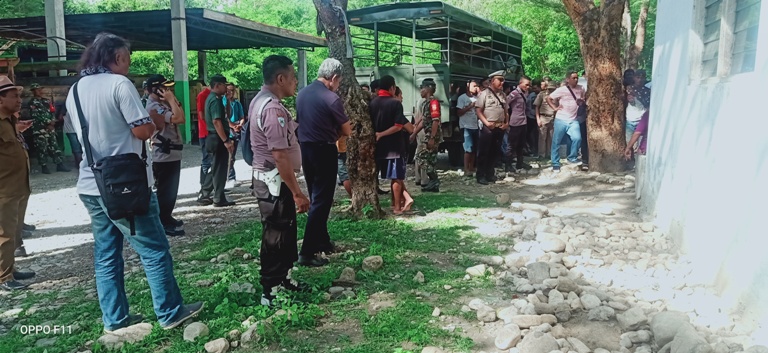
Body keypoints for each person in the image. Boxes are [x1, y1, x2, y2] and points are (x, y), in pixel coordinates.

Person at [65, 32, 203, 330]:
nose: (128, 64)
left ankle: (115, 319)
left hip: (91, 183)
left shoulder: (75, 89)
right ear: (117, 58)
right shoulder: (119, 84)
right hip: (126, 184)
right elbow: (143, 131)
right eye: (127, 58)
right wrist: (154, 122)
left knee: (106, 254)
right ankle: (170, 312)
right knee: (153, 248)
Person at [249, 55, 312, 307]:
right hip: (274, 180)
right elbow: (279, 155)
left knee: (285, 231)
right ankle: (271, 289)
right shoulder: (273, 108)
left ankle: (283, 278)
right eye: (293, 77)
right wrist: (297, 192)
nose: (296, 82)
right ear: (281, 78)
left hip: (274, 179)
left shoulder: (261, 100)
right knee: (275, 234)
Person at [296, 58, 351, 267]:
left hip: (306, 149)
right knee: (321, 201)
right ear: (334, 78)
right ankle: (307, 251)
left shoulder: (302, 93)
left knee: (316, 196)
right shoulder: (331, 98)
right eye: (339, 82)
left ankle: (323, 240)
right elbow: (347, 130)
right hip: (325, 149)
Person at [0, 76, 36, 291]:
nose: (19, 100)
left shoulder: (9, 120)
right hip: (3, 188)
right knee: (4, 233)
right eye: (14, 96)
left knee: (14, 231)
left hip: (17, 186)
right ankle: (4, 278)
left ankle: (10, 270)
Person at [146, 75, 186, 237]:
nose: (169, 90)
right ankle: (162, 222)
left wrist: (172, 99)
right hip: (163, 155)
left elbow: (179, 110)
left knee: (171, 190)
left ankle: (167, 216)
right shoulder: (154, 107)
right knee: (165, 191)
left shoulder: (163, 104)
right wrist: (170, 99)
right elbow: (180, 118)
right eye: (165, 88)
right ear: (156, 89)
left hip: (172, 153)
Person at [372, 75, 415, 214]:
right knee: (396, 177)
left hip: (377, 146)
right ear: (392, 87)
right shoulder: (395, 103)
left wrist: (378, 135)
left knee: (377, 177)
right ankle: (397, 207)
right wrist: (382, 134)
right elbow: (397, 126)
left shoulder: (372, 103)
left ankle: (383, 204)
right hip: (394, 147)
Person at [199, 74, 236, 207]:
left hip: (214, 136)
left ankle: (205, 192)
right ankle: (218, 197)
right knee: (220, 168)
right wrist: (226, 140)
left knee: (216, 166)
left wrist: (228, 101)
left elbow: (226, 115)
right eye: (224, 85)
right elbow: (217, 121)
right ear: (217, 85)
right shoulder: (214, 99)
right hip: (217, 137)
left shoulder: (218, 99)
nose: (226, 87)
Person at [547, 71, 585, 172]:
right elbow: (549, 98)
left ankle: (572, 157)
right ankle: (555, 163)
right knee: (556, 141)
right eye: (573, 78)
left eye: (577, 78)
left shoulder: (581, 88)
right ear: (568, 79)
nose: (576, 80)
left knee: (577, 139)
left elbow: (583, 99)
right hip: (561, 119)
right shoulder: (562, 90)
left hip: (573, 119)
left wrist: (581, 102)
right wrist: (554, 108)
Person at [475, 70, 508, 185]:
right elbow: (478, 111)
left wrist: (506, 123)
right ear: (492, 81)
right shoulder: (484, 94)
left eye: (503, 80)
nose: (502, 83)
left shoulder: (503, 95)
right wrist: (486, 123)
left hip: (500, 127)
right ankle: (481, 175)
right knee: (484, 151)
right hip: (488, 127)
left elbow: (506, 111)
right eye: (500, 80)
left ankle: (490, 174)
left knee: (494, 152)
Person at [28, 83, 69, 174]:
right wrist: (47, 122)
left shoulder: (46, 101)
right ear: (33, 91)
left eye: (40, 89)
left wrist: (52, 121)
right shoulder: (32, 102)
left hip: (50, 128)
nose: (40, 91)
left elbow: (52, 111)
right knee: (41, 148)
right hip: (40, 129)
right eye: (37, 90)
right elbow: (36, 115)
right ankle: (44, 166)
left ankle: (59, 164)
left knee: (54, 146)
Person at [412, 78, 442, 192]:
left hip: (432, 135)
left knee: (422, 157)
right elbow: (424, 121)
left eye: (422, 88)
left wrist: (432, 138)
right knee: (428, 160)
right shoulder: (425, 103)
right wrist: (414, 133)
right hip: (427, 134)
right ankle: (433, 183)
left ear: (428, 88)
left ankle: (434, 180)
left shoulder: (434, 103)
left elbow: (435, 121)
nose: (420, 90)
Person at [505, 76, 532, 173]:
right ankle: (508, 165)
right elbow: (505, 104)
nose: (528, 87)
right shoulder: (514, 93)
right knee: (512, 144)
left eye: (529, 85)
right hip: (515, 122)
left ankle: (520, 163)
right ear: (520, 83)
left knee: (521, 144)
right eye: (526, 84)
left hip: (523, 121)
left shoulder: (525, 93)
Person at [457, 80, 480, 177]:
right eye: (474, 86)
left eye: (477, 86)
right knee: (468, 149)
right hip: (466, 126)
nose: (475, 88)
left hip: (475, 125)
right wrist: (470, 106)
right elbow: (459, 112)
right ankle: (466, 168)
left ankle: (471, 168)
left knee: (474, 148)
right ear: (468, 86)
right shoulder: (462, 98)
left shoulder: (477, 98)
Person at [225, 84, 245, 187]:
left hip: (236, 131)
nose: (231, 92)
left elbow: (242, 116)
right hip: (228, 131)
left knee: (232, 156)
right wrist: (232, 126)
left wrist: (240, 124)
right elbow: (225, 118)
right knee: (228, 156)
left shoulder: (237, 103)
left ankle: (231, 176)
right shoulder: (223, 102)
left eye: (233, 90)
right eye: (229, 90)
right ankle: (228, 177)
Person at [196, 81, 212, 199]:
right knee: (206, 160)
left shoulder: (215, 96)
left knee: (213, 160)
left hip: (210, 132)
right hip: (206, 132)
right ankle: (204, 186)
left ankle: (211, 185)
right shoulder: (202, 95)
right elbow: (201, 115)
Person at [534, 80, 557, 159]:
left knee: (551, 137)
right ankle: (541, 154)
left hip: (552, 118)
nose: (551, 90)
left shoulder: (556, 96)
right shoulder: (542, 95)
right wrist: (538, 119)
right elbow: (536, 106)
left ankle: (549, 154)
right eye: (550, 88)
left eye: (553, 89)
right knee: (542, 137)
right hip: (543, 117)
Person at [61, 104, 83, 171]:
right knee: (77, 148)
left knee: (77, 148)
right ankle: (79, 164)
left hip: (73, 130)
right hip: (71, 130)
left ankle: (79, 164)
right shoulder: (70, 109)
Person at [526, 79, 540, 157]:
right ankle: (533, 149)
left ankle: (537, 150)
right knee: (531, 135)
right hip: (531, 117)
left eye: (535, 88)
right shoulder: (532, 95)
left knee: (536, 135)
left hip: (537, 118)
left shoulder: (540, 95)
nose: (534, 90)